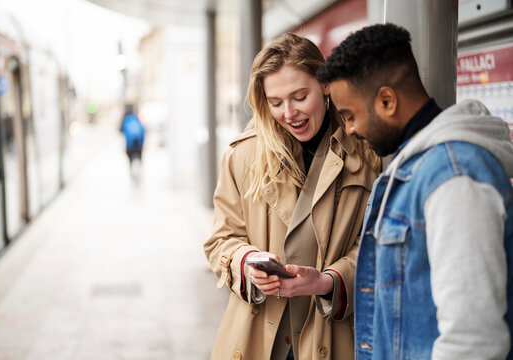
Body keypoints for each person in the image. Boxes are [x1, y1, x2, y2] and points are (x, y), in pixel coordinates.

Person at [318, 23, 513, 360]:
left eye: (350, 115)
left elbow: (472, 341)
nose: (349, 129)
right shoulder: (418, 166)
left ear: (386, 100)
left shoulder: (455, 177)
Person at [204, 33, 381, 360]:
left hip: (332, 334)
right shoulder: (242, 156)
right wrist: (247, 263)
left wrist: (328, 282)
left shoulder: (367, 155)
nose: (289, 113)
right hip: (255, 337)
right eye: (275, 102)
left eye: (300, 96)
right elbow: (220, 241)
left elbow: (377, 247)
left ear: (325, 84)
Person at [120, 104, 145, 181]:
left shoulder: (125, 120)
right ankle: (139, 173)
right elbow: (143, 129)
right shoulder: (137, 118)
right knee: (139, 159)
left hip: (130, 145)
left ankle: (132, 174)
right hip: (139, 144)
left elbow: (120, 130)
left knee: (130, 160)